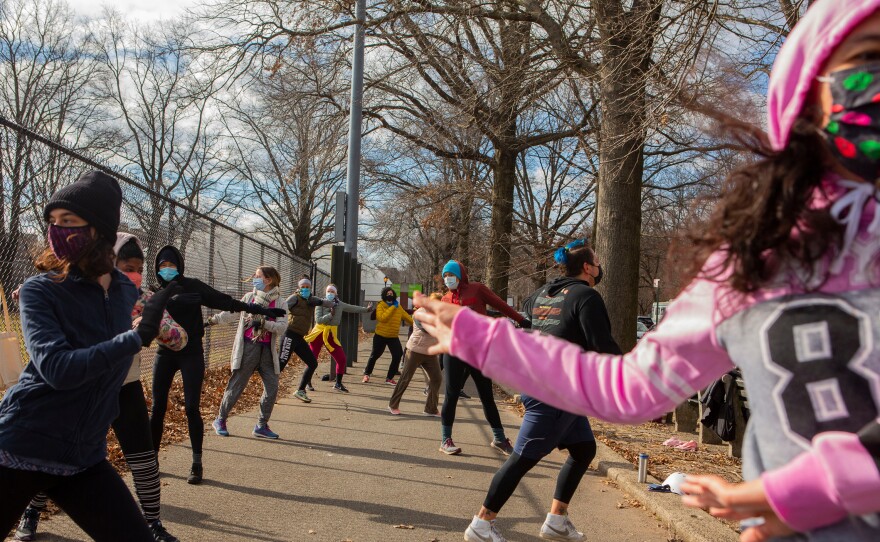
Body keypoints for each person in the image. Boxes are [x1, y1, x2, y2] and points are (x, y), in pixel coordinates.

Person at [415, 3, 880, 540]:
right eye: (868, 57)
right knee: (548, 453)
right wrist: (486, 340)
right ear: (805, 94)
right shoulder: (752, 259)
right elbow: (629, 385)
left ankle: (535, 519)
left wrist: (801, 492)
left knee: (560, 452)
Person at [0, 170, 178, 542]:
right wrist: (135, 338)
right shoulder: (40, 291)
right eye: (53, 221)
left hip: (83, 458)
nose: (56, 230)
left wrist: (167, 326)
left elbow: (177, 339)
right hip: (21, 447)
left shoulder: (127, 295)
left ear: (98, 229)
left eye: (68, 221)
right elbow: (57, 369)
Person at [464, 240, 621, 542]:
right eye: (597, 262)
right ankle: (482, 524)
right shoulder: (587, 296)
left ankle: (556, 520)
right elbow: (601, 346)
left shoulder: (538, 295)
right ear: (587, 268)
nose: (599, 266)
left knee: (584, 449)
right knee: (522, 458)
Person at [150, 245, 285, 484]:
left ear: (179, 266)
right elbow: (145, 315)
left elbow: (224, 301)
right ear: (156, 269)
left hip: (191, 354)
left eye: (171, 265)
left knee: (192, 408)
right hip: (164, 354)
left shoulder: (193, 285)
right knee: (158, 408)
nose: (167, 270)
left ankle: (196, 463)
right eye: (162, 266)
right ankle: (152, 462)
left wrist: (253, 308)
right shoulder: (154, 292)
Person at [436, 260, 529, 456]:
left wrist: (521, 320)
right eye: (445, 276)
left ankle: (499, 438)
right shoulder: (445, 299)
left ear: (461, 275)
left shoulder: (477, 289)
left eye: (451, 275)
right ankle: (446, 440)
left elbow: (499, 304)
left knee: (486, 395)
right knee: (451, 394)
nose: (448, 279)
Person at [207, 266, 288, 440]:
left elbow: (281, 328)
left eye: (258, 276)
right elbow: (231, 313)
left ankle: (261, 425)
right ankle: (220, 420)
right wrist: (212, 320)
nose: (255, 279)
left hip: (267, 351)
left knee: (272, 387)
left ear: (269, 280)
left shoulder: (281, 302)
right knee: (236, 386)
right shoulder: (250, 297)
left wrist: (263, 323)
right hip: (248, 348)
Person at [305, 284, 372, 393]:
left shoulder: (340, 304)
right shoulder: (320, 303)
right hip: (318, 333)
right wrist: (330, 315)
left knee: (341, 359)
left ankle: (338, 383)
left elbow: (353, 308)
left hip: (331, 334)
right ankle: (307, 382)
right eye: (328, 291)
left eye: (332, 292)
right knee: (312, 360)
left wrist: (367, 309)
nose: (330, 293)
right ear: (325, 292)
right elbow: (318, 320)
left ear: (336, 294)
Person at [278, 276, 335, 403]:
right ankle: (270, 392)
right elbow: (282, 309)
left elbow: (323, 302)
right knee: (281, 364)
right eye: (302, 287)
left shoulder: (312, 300)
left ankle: (301, 390)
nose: (305, 289)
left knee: (312, 363)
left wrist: (334, 304)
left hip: (299, 337)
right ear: (299, 288)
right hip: (289, 334)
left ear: (310, 288)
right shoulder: (294, 298)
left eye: (307, 287)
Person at [388, 292, 444, 416]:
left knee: (437, 378)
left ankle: (431, 408)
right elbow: (427, 328)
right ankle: (393, 404)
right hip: (415, 351)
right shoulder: (420, 313)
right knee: (405, 378)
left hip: (430, 353)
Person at [362, 286, 414, 385]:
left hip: (393, 336)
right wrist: (392, 307)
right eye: (388, 294)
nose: (390, 295)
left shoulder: (398, 306)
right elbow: (382, 318)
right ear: (384, 296)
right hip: (380, 335)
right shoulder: (381, 305)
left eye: (391, 294)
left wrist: (418, 325)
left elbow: (407, 318)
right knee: (375, 355)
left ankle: (389, 378)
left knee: (397, 355)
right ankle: (367, 374)